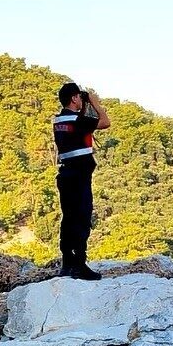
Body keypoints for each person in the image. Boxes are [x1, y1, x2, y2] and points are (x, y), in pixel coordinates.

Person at [52, 82, 111, 280]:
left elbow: (82, 128)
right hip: (79, 176)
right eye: (79, 97)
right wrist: (94, 102)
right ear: (74, 98)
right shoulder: (78, 121)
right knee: (82, 218)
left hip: (66, 174)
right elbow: (105, 122)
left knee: (68, 218)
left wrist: (84, 106)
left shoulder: (59, 120)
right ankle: (80, 264)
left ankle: (68, 262)